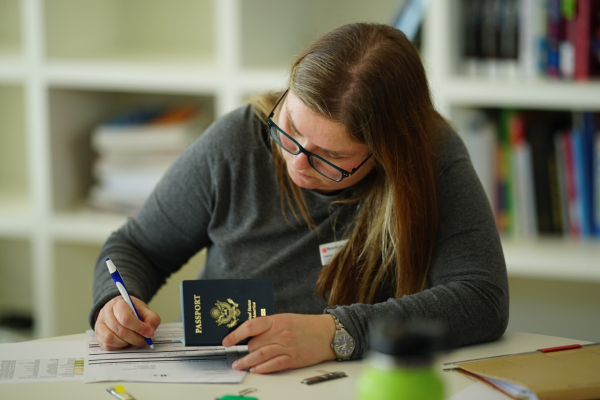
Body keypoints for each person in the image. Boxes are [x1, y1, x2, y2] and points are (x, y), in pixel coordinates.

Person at [90, 22, 509, 374]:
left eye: (332, 157)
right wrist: (114, 303)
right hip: (232, 381)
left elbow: (482, 299)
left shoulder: (432, 157)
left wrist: (335, 333)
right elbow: (136, 247)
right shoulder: (238, 140)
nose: (297, 164)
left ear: (388, 156)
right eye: (290, 128)